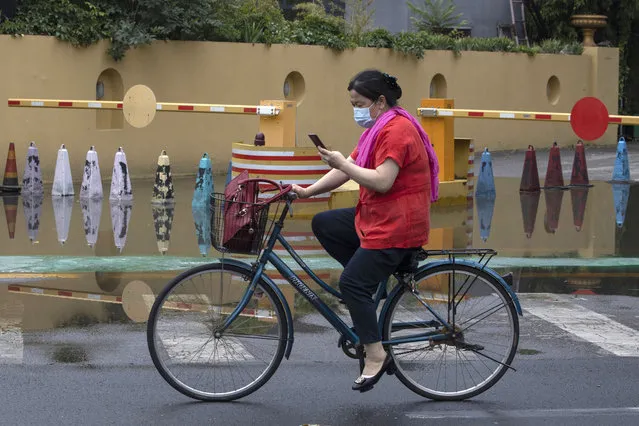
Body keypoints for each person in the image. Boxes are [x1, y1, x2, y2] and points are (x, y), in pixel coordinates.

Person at [291, 69, 440, 392]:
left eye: (359, 103)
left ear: (380, 101)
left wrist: (342, 163)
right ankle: (373, 287)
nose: (355, 109)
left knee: (352, 284)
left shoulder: (398, 130)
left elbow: (382, 180)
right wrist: (307, 191)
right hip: (377, 216)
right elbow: (349, 169)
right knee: (325, 223)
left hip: (398, 225)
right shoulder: (377, 129)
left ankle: (376, 354)